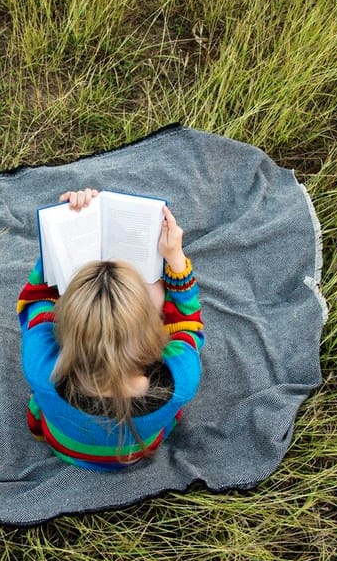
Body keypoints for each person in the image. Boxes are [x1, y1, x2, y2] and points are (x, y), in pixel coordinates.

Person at [17, 188, 205, 471]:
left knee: (39, 404)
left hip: (62, 443)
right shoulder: (182, 378)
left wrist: (61, 234)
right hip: (140, 450)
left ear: (66, 322)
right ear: (154, 326)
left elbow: (37, 297)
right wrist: (175, 261)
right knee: (171, 412)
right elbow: (188, 325)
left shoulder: (40, 365)